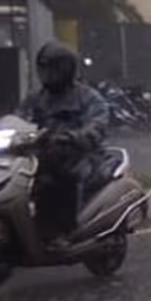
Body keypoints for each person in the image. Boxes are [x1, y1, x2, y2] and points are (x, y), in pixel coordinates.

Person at [16, 41, 110, 247]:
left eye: (53, 70)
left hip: (79, 157)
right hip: (40, 155)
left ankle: (62, 230)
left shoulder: (87, 97)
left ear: (67, 71)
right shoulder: (36, 98)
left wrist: (72, 137)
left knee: (55, 178)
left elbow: (98, 125)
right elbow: (19, 119)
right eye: (44, 70)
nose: (48, 75)